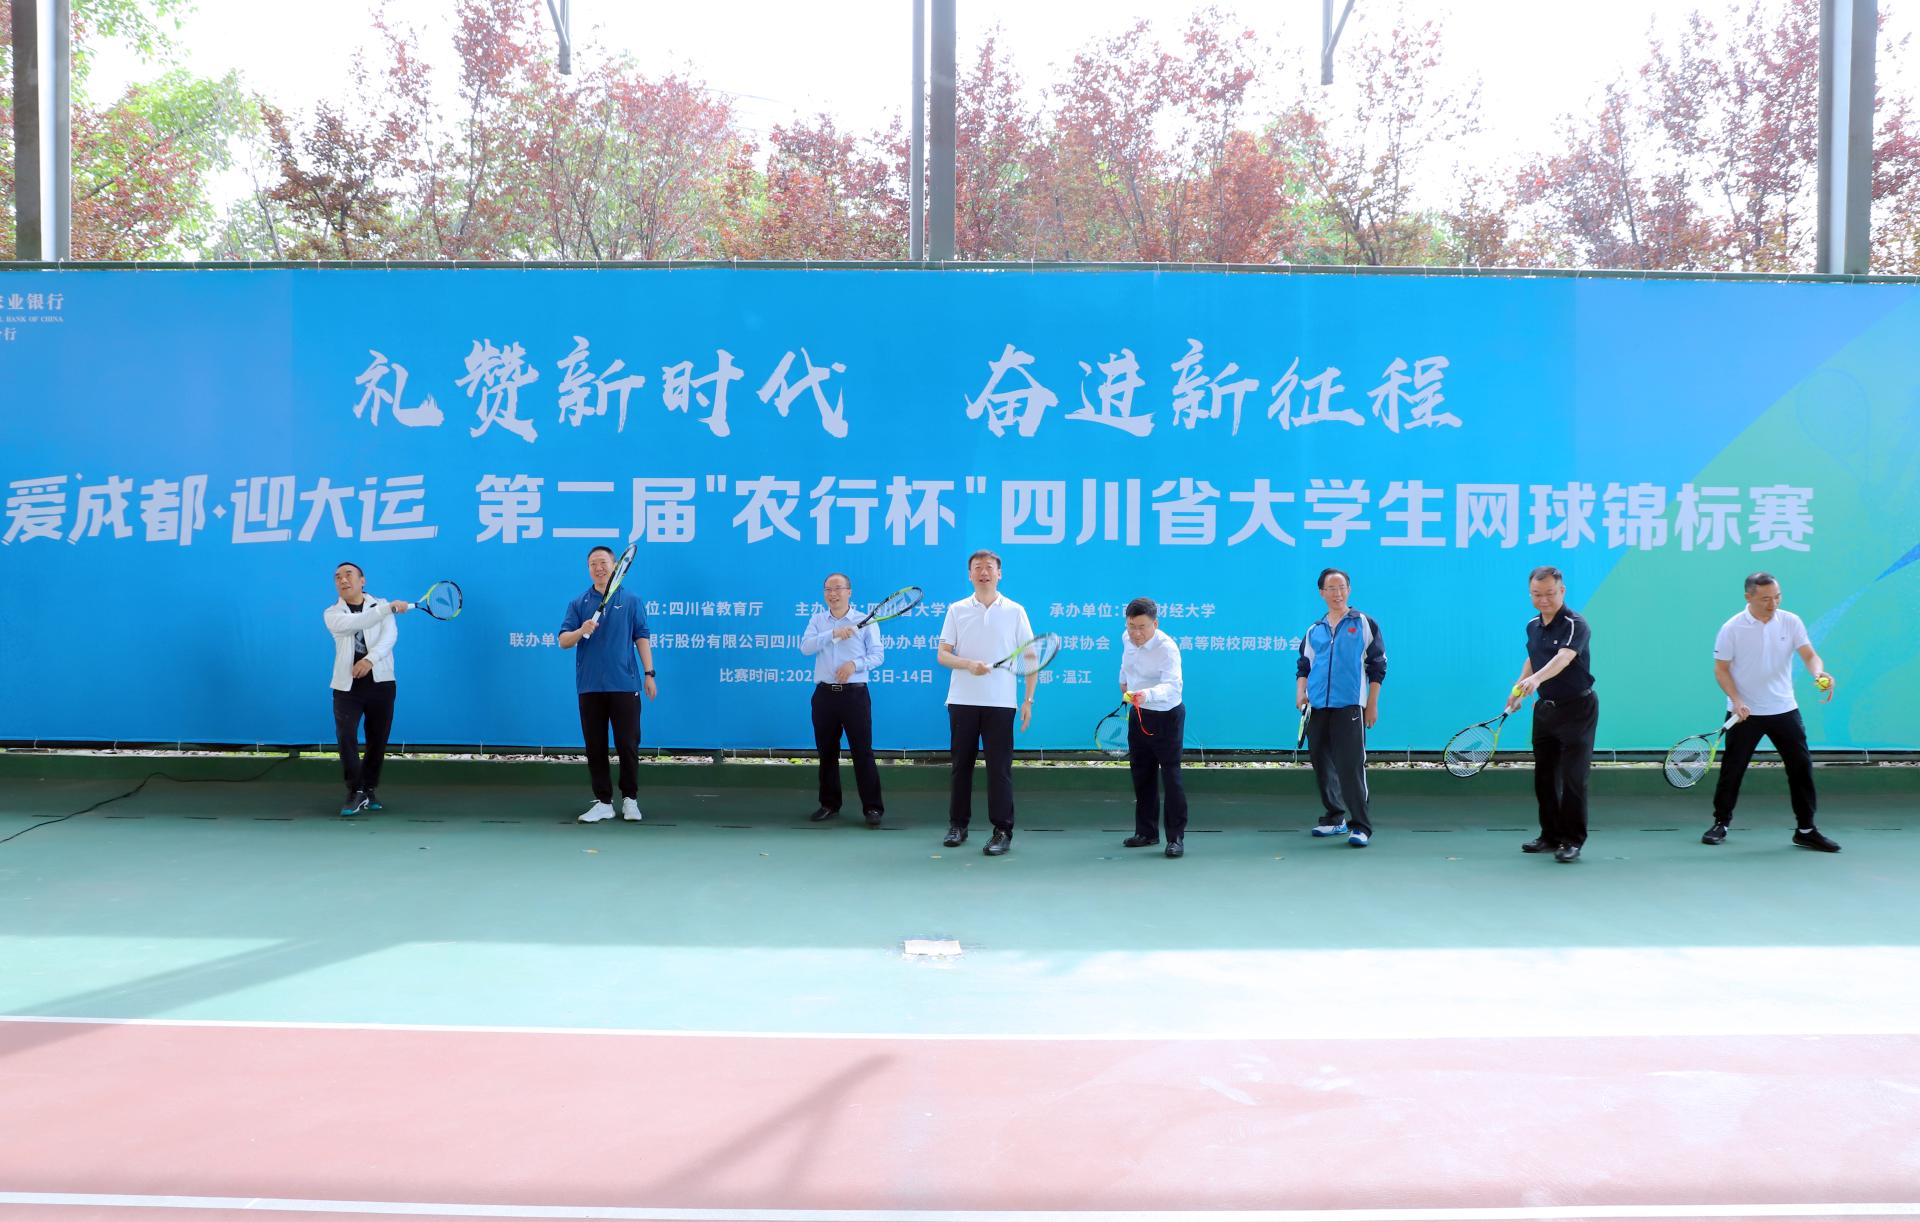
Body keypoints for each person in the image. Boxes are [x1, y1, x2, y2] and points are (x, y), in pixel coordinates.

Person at [1702, 572, 1840, 852]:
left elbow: (1809, 655)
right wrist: (1736, 700)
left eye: (1777, 597)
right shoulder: (1732, 628)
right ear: (1748, 597)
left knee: (1801, 767)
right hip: (1745, 712)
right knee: (1732, 770)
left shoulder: (1791, 621)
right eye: (1766, 599)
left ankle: (1806, 830)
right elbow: (1721, 670)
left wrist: (1818, 673)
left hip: (1784, 708)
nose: (1773, 603)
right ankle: (1721, 823)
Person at [936, 550, 1036, 857]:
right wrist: (968, 664)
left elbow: (1031, 657)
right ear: (969, 575)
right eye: (977, 568)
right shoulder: (957, 610)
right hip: (962, 702)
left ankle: (1002, 831)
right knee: (960, 767)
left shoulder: (1015, 611)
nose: (984, 573)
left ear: (999, 573)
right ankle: (958, 825)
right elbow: (943, 655)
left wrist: (1028, 700)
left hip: (1001, 704)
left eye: (989, 568)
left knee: (999, 770)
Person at [558, 545, 657, 824]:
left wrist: (649, 673)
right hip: (590, 687)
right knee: (595, 747)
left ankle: (630, 800)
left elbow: (641, 637)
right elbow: (563, 641)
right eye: (593, 564)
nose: (598, 568)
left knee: (628, 745)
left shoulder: (632, 600)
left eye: (603, 562)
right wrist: (581, 630)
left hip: (624, 684)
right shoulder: (578, 603)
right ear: (588, 569)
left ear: (615, 566)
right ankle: (603, 803)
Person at [1506, 565, 1597, 864]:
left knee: (1573, 778)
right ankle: (1550, 836)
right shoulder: (1533, 625)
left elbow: (1563, 658)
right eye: (1536, 594)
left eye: (1549, 594)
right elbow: (1534, 658)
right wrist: (1520, 687)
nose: (1543, 600)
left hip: (1578, 710)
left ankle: (1572, 840)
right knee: (1544, 776)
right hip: (1545, 710)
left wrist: (1536, 680)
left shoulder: (1575, 624)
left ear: (1562, 591)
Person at [1294, 568, 1386, 848]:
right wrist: (1301, 694)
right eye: (1332, 588)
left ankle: (1361, 826)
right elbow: (1304, 665)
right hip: (1318, 708)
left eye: (1342, 587)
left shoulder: (1363, 623)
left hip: (1350, 707)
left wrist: (1371, 705)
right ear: (1322, 593)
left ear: (1349, 590)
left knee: (1350, 766)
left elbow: (1377, 666)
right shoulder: (1315, 629)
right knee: (1322, 763)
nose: (1338, 593)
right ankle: (1335, 818)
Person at [799, 572, 886, 827]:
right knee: (826, 752)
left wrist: (854, 665)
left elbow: (878, 655)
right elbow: (806, 647)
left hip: (855, 695)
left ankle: (872, 808)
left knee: (862, 752)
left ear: (849, 592)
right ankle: (829, 804)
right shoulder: (817, 620)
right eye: (828, 589)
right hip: (824, 695)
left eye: (838, 588)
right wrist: (833, 634)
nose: (833, 594)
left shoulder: (864, 620)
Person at [325, 562, 412, 816]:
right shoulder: (332, 613)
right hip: (346, 686)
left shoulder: (381, 605)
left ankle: (369, 789)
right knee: (346, 736)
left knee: (377, 739)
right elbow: (359, 621)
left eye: (348, 575)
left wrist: (369, 660)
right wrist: (389, 608)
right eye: (337, 577)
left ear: (362, 580)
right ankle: (355, 790)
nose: (343, 580)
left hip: (381, 684)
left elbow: (389, 638)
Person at [1117, 598, 1187, 857]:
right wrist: (1123, 680)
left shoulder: (1167, 648)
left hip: (1166, 716)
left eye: (1142, 627)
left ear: (1155, 624)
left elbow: (1172, 686)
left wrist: (1147, 694)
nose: (1136, 633)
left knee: (1171, 776)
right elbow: (1126, 664)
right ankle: (1146, 833)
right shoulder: (1126, 638)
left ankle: (1175, 838)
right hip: (1139, 713)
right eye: (1131, 626)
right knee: (1142, 773)